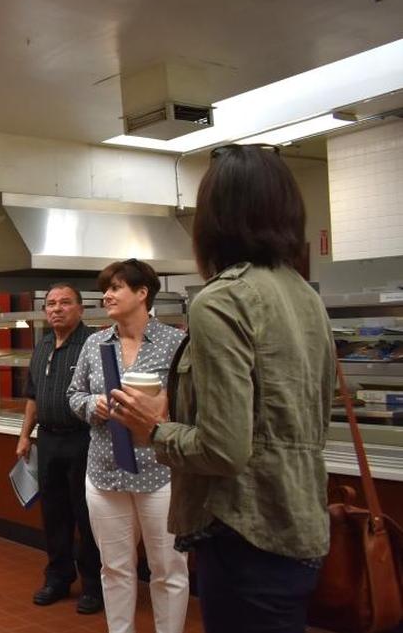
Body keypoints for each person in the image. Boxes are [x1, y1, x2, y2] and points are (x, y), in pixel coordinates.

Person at [111, 144, 334, 633]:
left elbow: (224, 448)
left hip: (244, 533)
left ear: (215, 219)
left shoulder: (220, 301)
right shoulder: (304, 296)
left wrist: (156, 429)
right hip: (300, 523)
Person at [66, 259, 188, 633]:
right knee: (114, 568)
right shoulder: (95, 343)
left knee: (168, 569)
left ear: (141, 293)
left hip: (160, 472)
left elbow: (189, 402)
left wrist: (164, 409)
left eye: (116, 287)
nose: (107, 295)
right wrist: (93, 405)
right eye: (106, 288)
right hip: (105, 472)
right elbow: (75, 394)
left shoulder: (175, 342)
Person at [15, 283, 103, 615]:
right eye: (51, 303)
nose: (56, 309)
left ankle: (93, 586)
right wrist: (25, 436)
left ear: (80, 309)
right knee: (54, 515)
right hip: (48, 441)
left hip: (84, 440)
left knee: (87, 515)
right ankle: (58, 577)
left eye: (65, 303)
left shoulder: (93, 344)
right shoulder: (44, 345)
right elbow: (33, 397)